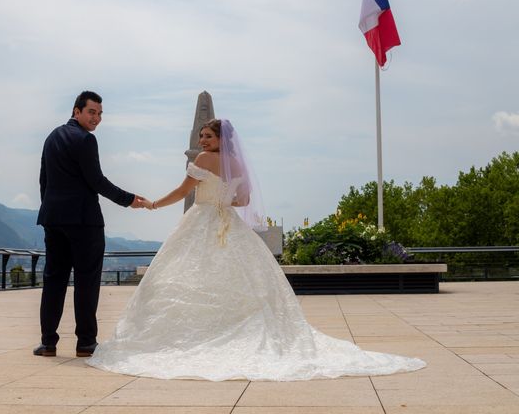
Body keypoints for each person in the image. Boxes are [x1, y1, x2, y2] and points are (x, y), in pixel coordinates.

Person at [86, 118, 425, 380]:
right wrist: (223, 196)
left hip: (202, 220)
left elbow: (183, 190)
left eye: (208, 136)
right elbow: (243, 199)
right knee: (237, 282)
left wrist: (154, 205)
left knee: (185, 279)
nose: (202, 141)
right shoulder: (238, 164)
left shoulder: (204, 159)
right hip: (229, 223)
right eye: (201, 136)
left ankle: (202, 334)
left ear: (220, 139)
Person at [34, 90, 148, 358]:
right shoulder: (86, 140)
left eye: (100, 114)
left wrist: (52, 209)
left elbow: (44, 180)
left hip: (53, 219)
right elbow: (96, 180)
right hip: (84, 221)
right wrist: (128, 199)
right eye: (91, 112)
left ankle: (48, 342)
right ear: (77, 111)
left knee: (53, 280)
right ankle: (85, 342)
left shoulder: (52, 137)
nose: (96, 118)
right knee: (86, 280)